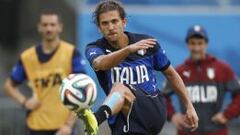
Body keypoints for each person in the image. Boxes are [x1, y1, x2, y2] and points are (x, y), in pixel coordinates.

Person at [76, 1, 199, 135]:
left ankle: (96, 118)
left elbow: (171, 74)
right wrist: (128, 50)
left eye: (114, 21)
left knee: (119, 87)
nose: (110, 27)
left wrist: (189, 106)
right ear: (99, 28)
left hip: (152, 108)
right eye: (105, 23)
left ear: (124, 22)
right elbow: (100, 64)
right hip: (122, 116)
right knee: (120, 91)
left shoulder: (147, 43)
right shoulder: (94, 48)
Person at [4, 11, 86, 135]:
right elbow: (8, 86)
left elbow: (82, 90)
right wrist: (24, 102)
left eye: (52, 25)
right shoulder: (28, 56)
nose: (49, 28)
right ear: (39, 27)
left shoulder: (71, 53)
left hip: (63, 128)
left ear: (60, 27)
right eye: (45, 24)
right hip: (35, 126)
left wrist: (68, 125)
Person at [163, 24, 240, 135]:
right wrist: (172, 115)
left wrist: (227, 114)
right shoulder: (179, 72)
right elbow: (162, 96)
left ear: (206, 44)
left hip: (216, 131)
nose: (196, 48)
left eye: (200, 43)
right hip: (187, 132)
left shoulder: (222, 68)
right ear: (187, 44)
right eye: (193, 43)